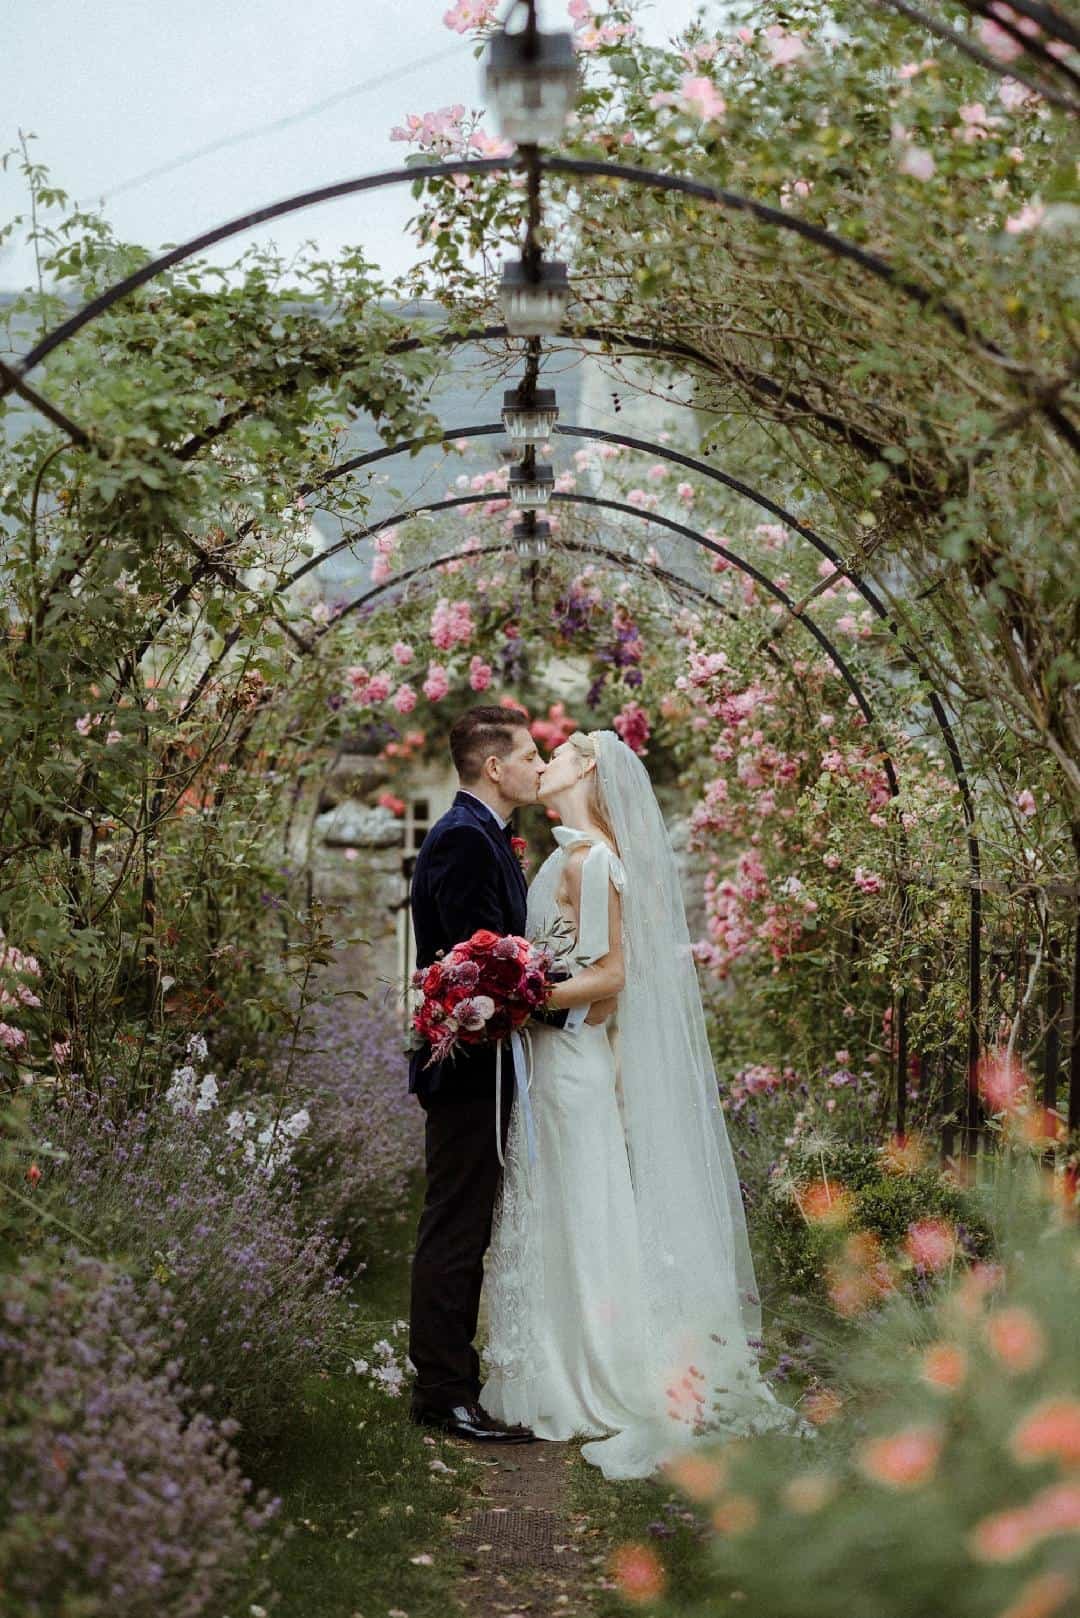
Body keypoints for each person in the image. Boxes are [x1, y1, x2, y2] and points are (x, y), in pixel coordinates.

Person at [478, 728, 814, 1480]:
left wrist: (517, 1001)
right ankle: (552, 1367)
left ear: (588, 767)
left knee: (585, 1212)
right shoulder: (568, 853)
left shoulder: (594, 859)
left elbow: (610, 978)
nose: (546, 761)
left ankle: (599, 1372)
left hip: (568, 1063)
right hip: (548, 1059)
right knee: (561, 1210)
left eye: (557, 752)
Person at [406, 705, 590, 1443]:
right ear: (494, 765)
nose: (539, 766)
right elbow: (474, 971)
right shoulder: (461, 841)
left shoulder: (483, 836)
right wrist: (571, 1004)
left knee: (465, 1221)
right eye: (529, 754)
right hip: (466, 1066)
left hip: (488, 1062)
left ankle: (451, 1381)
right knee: (455, 1225)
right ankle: (443, 1391)